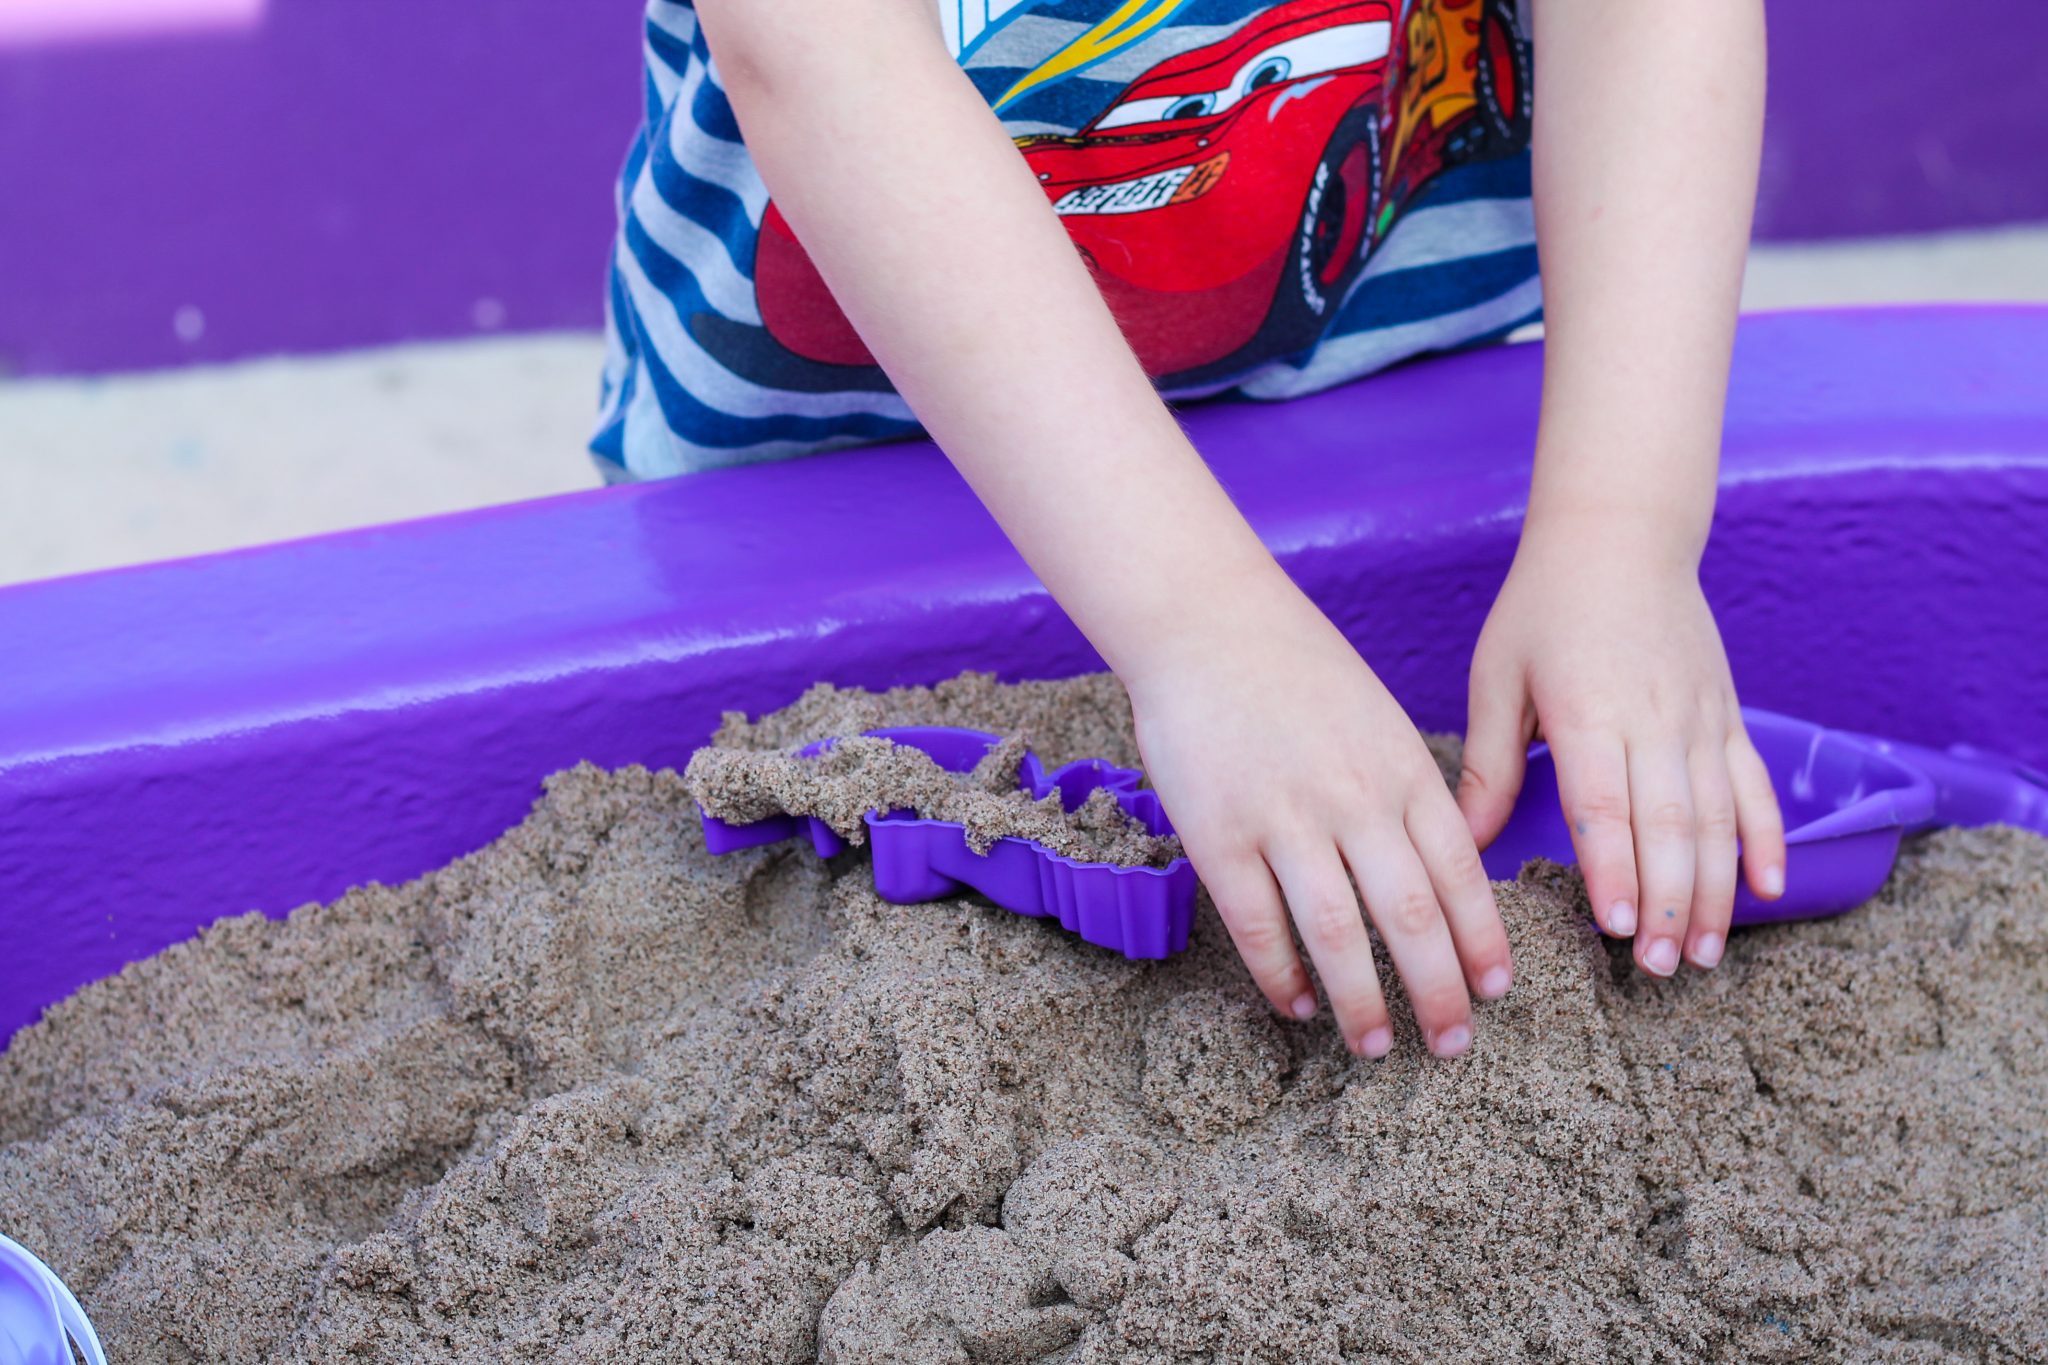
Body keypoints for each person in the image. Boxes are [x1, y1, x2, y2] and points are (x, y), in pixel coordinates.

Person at [593, 0, 1786, 1059]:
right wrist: (1207, 630)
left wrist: (1618, 529)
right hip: (862, 454)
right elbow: (822, 54)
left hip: (1379, 371)